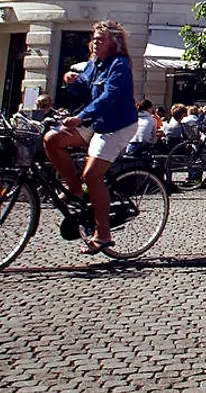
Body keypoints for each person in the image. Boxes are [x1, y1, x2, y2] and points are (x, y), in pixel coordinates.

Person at [41, 20, 140, 254]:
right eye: (94, 38)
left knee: (92, 176)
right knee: (51, 140)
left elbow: (109, 97)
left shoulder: (120, 64)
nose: (95, 42)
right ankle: (74, 188)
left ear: (114, 43)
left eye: (101, 39)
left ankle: (103, 234)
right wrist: (70, 81)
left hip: (117, 125)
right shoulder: (95, 63)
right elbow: (85, 87)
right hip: (96, 121)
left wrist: (81, 117)